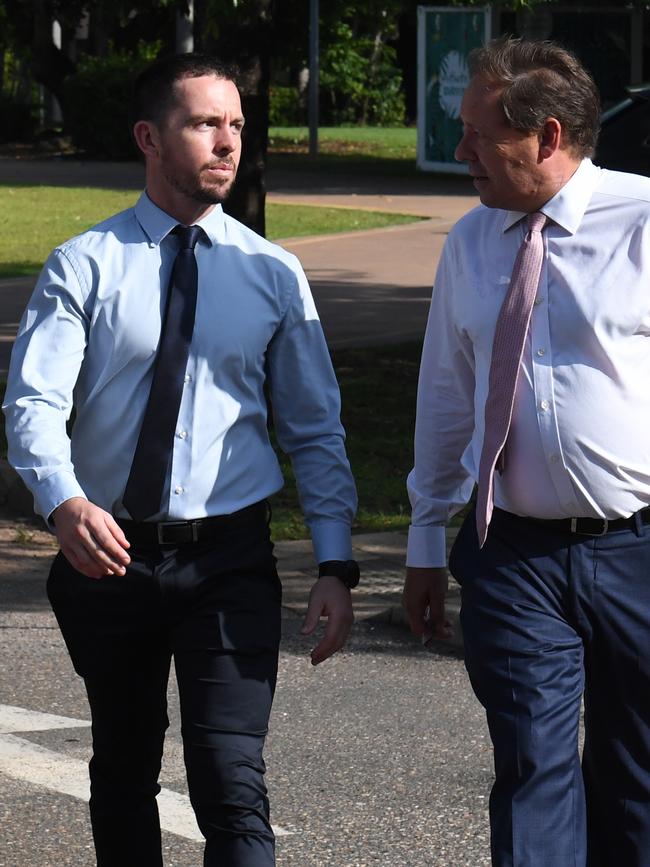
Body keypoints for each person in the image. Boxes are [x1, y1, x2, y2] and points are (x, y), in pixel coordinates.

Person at [3, 53, 359, 867]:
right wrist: (63, 502)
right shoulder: (82, 264)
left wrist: (336, 562)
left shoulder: (273, 272)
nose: (227, 142)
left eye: (236, 124)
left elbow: (316, 427)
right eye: (204, 123)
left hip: (228, 559)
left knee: (231, 782)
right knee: (123, 769)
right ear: (149, 138)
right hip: (107, 556)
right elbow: (33, 405)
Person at [403, 36, 650, 867]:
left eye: (477, 132)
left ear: (547, 136)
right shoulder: (470, 242)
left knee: (636, 777)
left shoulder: (643, 221)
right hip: (510, 552)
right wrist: (425, 539)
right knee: (531, 770)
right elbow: (445, 397)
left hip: (638, 548)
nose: (461, 150)